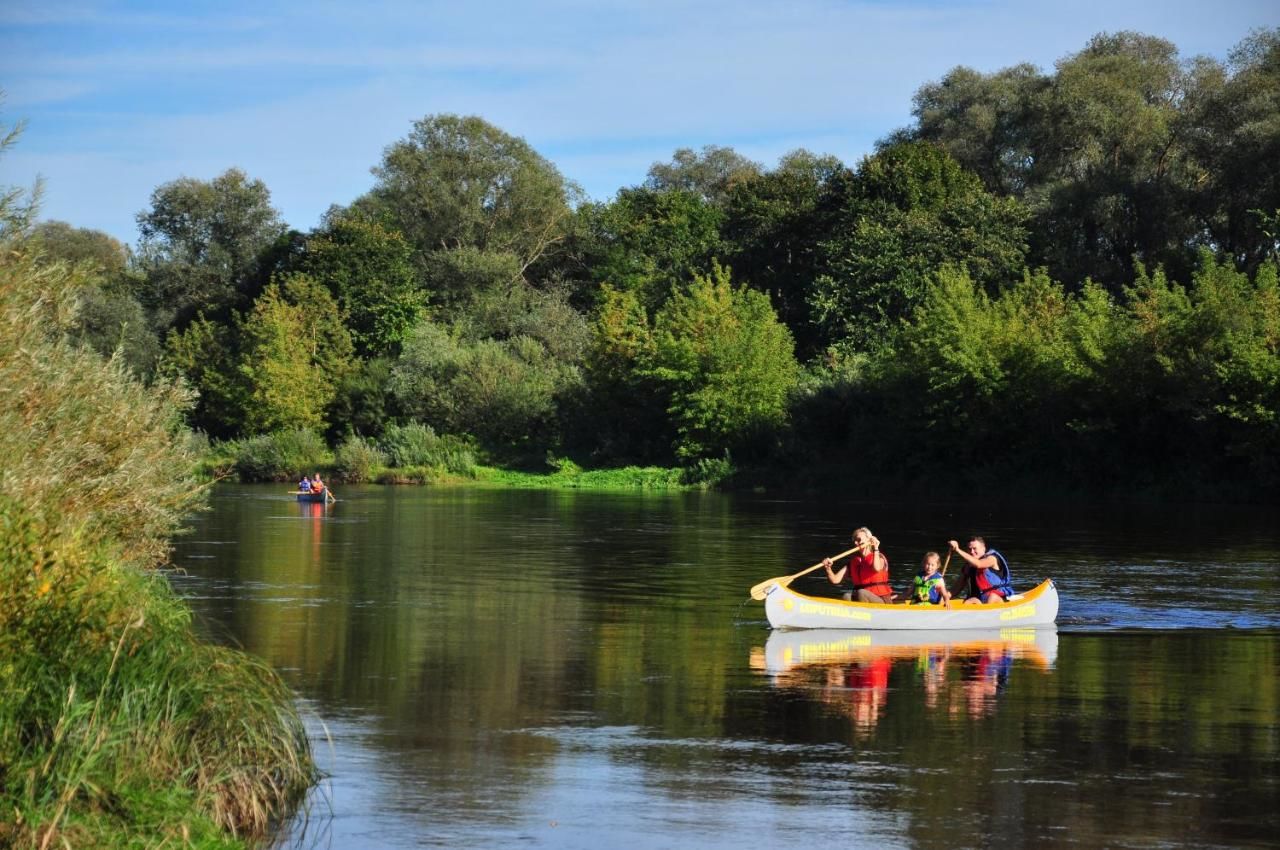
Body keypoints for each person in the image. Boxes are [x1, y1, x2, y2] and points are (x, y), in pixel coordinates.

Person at [823, 527, 893, 603]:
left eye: (859, 540)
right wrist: (828, 568)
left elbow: (876, 568)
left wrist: (876, 547)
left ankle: (864, 613)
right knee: (846, 596)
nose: (856, 543)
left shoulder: (879, 557)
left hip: (882, 600)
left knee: (861, 592)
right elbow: (835, 580)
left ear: (869, 540)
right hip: (862, 597)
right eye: (855, 541)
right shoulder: (854, 562)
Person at [948, 536, 1013, 604]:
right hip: (978, 600)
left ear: (983, 548)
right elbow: (956, 588)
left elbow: (979, 564)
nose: (972, 552)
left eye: (974, 548)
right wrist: (944, 597)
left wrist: (957, 550)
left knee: (992, 597)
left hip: (997, 598)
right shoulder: (968, 567)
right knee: (969, 602)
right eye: (969, 549)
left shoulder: (992, 559)